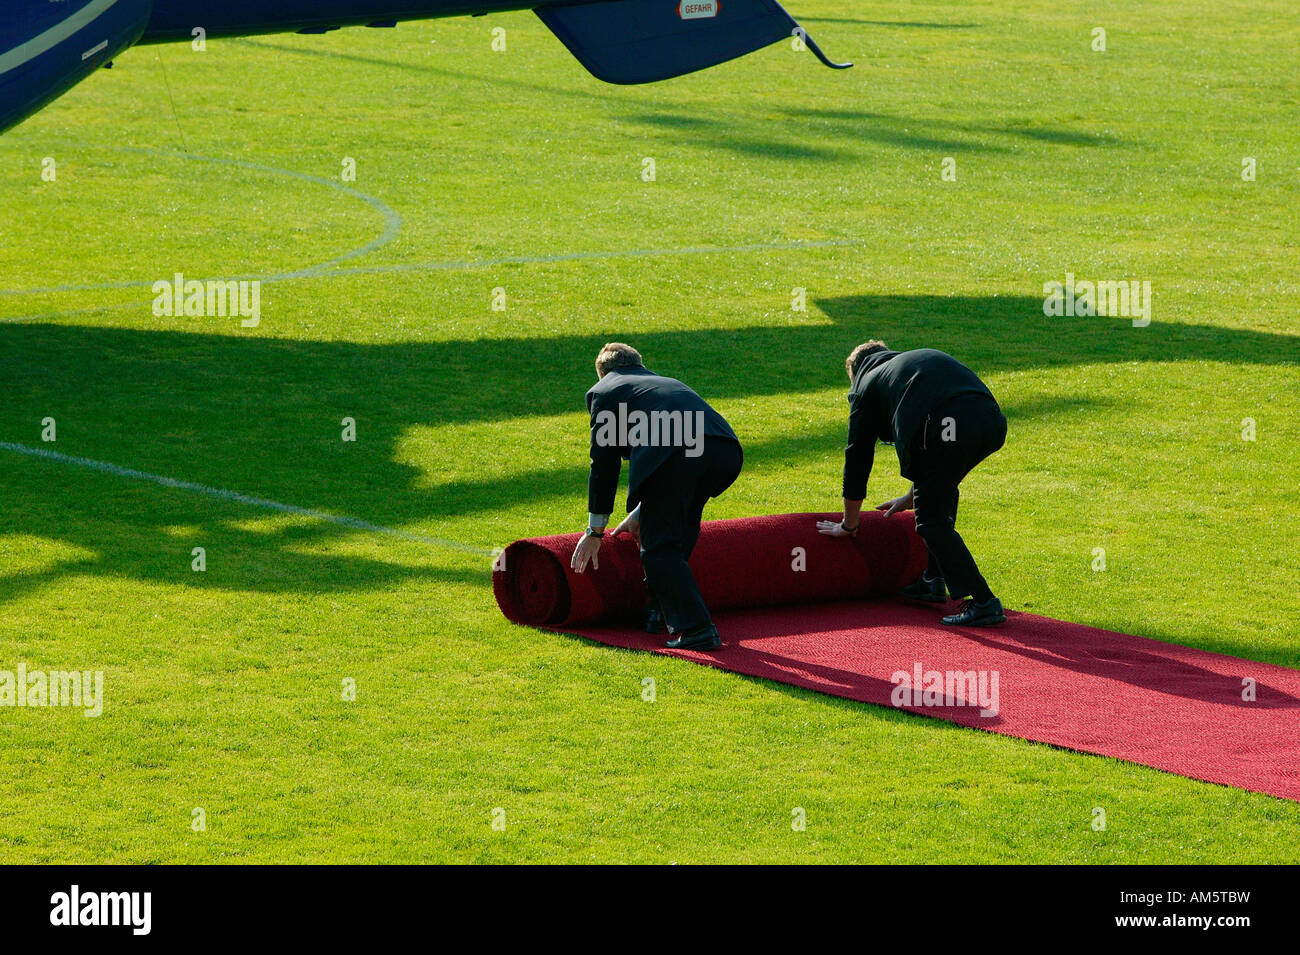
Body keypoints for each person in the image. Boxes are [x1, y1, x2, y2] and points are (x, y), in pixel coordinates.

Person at [817, 341, 1008, 626]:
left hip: (946, 423)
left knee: (931, 522)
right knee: (941, 489)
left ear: (855, 373)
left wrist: (849, 524)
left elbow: (857, 457)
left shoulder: (865, 382)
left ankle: (983, 602)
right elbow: (937, 463)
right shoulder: (910, 366)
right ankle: (932, 580)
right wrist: (912, 494)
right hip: (990, 422)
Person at [570, 343, 743, 650]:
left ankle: (696, 629)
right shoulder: (665, 383)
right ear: (638, 364)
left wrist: (595, 531)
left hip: (676, 455)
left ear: (602, 373)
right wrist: (642, 510)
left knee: (659, 546)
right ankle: (655, 610)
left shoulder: (604, 391)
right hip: (723, 451)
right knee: (680, 530)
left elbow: (604, 464)